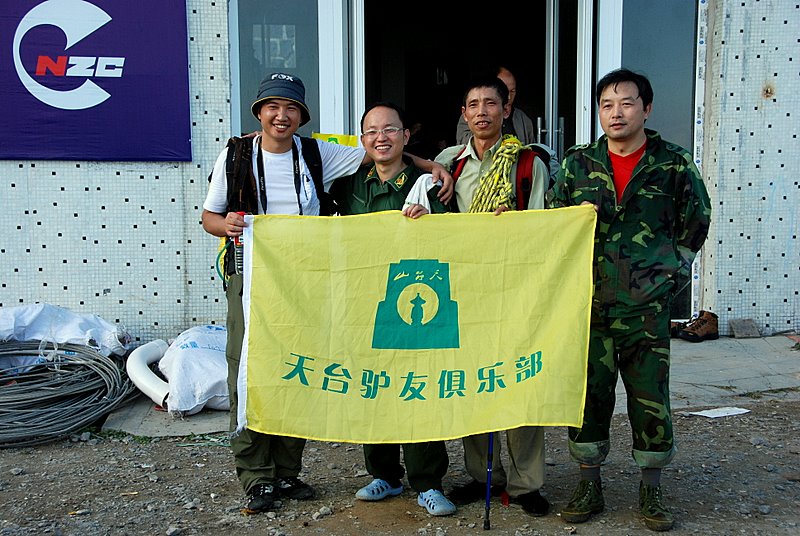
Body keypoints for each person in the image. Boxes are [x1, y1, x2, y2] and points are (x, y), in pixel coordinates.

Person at [201, 72, 452, 514]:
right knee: (249, 369)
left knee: (299, 365)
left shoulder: (318, 153)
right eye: (273, 107)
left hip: (307, 281)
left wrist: (430, 166)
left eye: (291, 108)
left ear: (302, 117)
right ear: (259, 112)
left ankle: (286, 471)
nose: (282, 116)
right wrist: (230, 226)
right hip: (252, 277)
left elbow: (380, 148)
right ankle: (256, 476)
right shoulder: (236, 155)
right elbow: (209, 218)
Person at [548, 68, 711, 532]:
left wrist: (668, 275)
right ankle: (588, 482)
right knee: (588, 397)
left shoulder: (673, 163)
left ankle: (652, 488)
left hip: (646, 307)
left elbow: (696, 221)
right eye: (606, 105)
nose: (615, 113)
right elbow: (555, 223)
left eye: (626, 102)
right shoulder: (579, 163)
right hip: (590, 306)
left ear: (646, 108)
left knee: (649, 397)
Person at [329, 101, 455, 516]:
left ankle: (428, 482)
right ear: (362, 140)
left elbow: (455, 241)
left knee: (418, 389)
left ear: (406, 136)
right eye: (372, 131)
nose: (381, 138)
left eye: (390, 130)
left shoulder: (428, 185)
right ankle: (384, 473)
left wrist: (430, 220)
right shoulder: (348, 184)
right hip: (367, 302)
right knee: (375, 385)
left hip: (417, 304)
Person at [433, 74, 551, 517]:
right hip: (465, 292)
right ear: (463, 114)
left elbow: (541, 227)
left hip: (516, 288)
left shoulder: (527, 162)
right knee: (473, 383)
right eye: (472, 104)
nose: (481, 111)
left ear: (507, 110)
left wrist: (513, 225)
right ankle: (484, 475)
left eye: (490, 103)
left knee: (520, 379)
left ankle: (526, 484)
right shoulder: (449, 163)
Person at [455, 66, 535, 146]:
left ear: (505, 111)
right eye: (504, 90)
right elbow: (465, 145)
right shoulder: (471, 117)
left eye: (512, 91)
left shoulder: (523, 119)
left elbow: (530, 148)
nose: (509, 97)